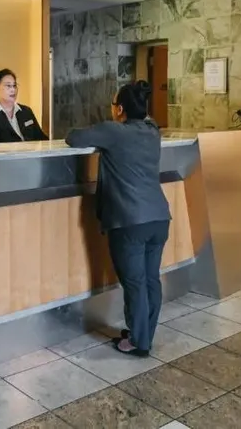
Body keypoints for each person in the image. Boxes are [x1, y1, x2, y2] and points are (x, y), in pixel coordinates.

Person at [65, 80, 171, 357]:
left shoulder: (113, 131)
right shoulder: (152, 131)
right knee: (150, 280)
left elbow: (73, 138)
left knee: (135, 283)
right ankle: (143, 333)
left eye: (114, 104)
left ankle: (139, 342)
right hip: (159, 217)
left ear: (120, 109)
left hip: (129, 220)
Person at [0, 68, 48, 144]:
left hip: (31, 151)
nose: (13, 90)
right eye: (8, 86)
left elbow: (42, 139)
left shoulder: (26, 111)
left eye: (14, 85)